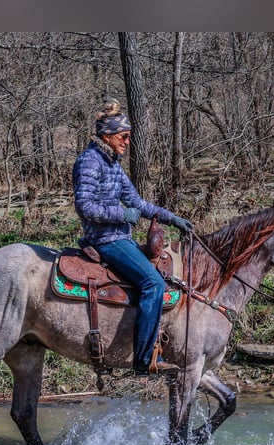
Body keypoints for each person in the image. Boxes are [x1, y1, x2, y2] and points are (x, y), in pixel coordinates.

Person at [72, 98, 193, 376]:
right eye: (123, 137)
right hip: (105, 240)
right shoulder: (89, 162)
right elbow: (84, 205)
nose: (127, 142)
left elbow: (138, 203)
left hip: (119, 238)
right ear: (108, 136)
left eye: (127, 137)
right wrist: (120, 214)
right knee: (153, 284)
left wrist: (171, 218)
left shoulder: (113, 164)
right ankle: (143, 358)